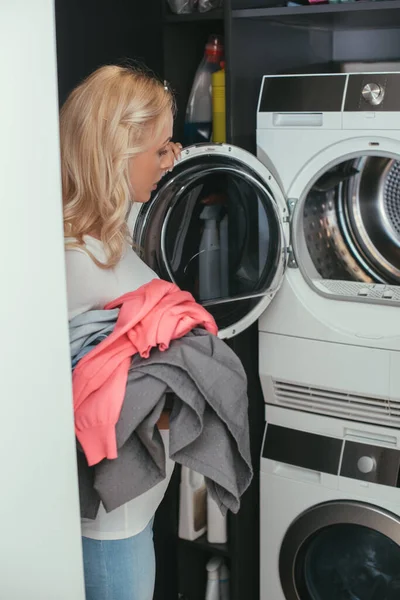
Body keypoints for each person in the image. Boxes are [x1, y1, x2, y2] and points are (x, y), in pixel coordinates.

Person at [60, 64, 182, 600]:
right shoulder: (72, 260)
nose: (169, 159)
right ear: (116, 154)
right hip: (110, 529)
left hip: (137, 509)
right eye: (159, 150)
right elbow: (69, 394)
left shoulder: (112, 237)